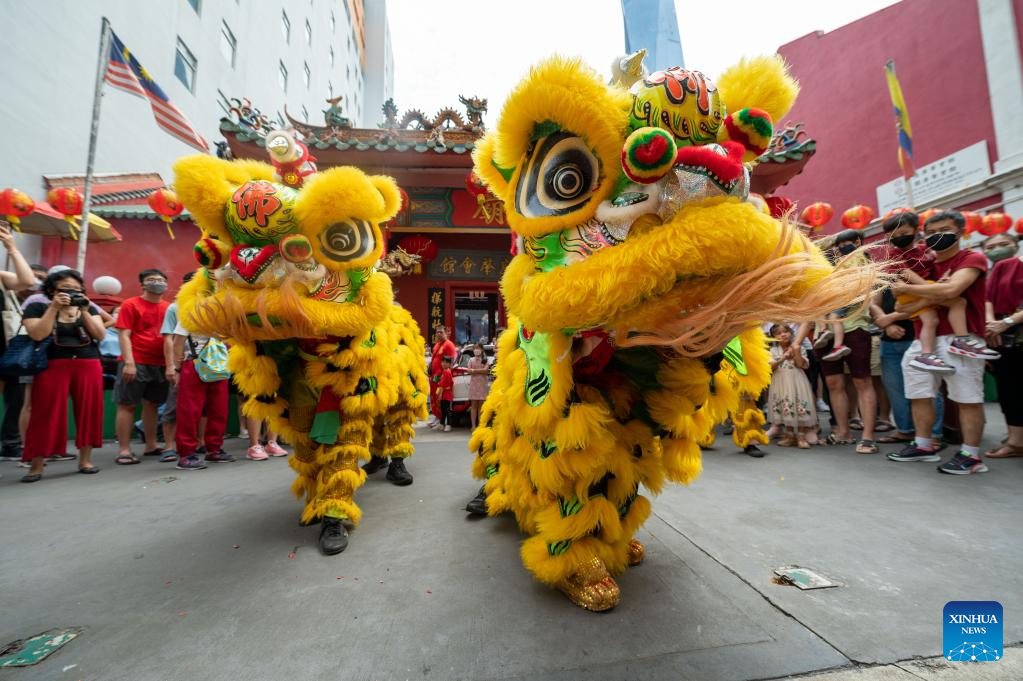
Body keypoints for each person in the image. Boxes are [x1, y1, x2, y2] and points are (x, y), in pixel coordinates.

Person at [887, 211, 990, 474]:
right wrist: (932, 293)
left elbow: (953, 290)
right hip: (923, 340)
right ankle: (923, 445)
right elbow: (901, 307)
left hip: (960, 338)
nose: (937, 236)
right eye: (931, 232)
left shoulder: (971, 258)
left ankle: (971, 455)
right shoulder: (924, 264)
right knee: (919, 393)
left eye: (944, 230)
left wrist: (911, 289)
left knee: (967, 397)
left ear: (961, 232)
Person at [19, 270, 106, 482]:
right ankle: (36, 465)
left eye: (77, 289)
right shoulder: (37, 306)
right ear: (52, 290)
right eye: (66, 289)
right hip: (52, 364)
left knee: (89, 411)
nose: (72, 293)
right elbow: (38, 334)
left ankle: (85, 460)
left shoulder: (88, 307)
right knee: (45, 413)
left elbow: (100, 334)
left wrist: (84, 311)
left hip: (88, 363)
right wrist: (54, 308)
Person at [871, 212, 945, 448]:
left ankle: (933, 435)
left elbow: (935, 296)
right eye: (893, 234)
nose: (899, 237)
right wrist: (886, 322)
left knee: (927, 387)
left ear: (915, 230)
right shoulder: (886, 265)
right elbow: (873, 302)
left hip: (920, 334)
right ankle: (904, 430)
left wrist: (894, 317)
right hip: (889, 339)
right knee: (896, 389)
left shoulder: (927, 259)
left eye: (904, 232)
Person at [816, 230, 879, 454]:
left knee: (862, 382)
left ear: (858, 242)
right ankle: (843, 432)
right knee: (834, 383)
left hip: (855, 325)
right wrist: (832, 242)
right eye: (837, 243)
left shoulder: (862, 259)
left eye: (845, 243)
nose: (839, 247)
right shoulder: (823, 262)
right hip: (824, 331)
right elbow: (812, 248)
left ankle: (868, 437)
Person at [113, 269, 170, 464]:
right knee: (127, 405)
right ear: (142, 285)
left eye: (161, 280)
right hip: (135, 361)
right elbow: (124, 334)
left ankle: (151, 445)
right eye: (151, 279)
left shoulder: (169, 308)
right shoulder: (130, 304)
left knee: (152, 404)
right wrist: (129, 362)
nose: (157, 282)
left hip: (161, 362)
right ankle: (124, 450)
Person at [170, 312, 234, 470]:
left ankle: (214, 449)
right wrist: (176, 369)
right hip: (193, 363)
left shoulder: (223, 315)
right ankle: (186, 453)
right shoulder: (189, 314)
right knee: (189, 411)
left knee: (220, 409)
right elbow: (178, 343)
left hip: (219, 364)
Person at [983, 232, 1023, 459]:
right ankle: (1016, 440)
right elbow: (987, 299)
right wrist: (991, 324)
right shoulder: (993, 272)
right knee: (1009, 390)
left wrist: (1006, 322)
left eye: (1004, 244)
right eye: (991, 246)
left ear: (1016, 245)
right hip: (1000, 338)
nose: (997, 249)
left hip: (1011, 331)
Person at [0, 259, 44, 462]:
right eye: (37, 277)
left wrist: (11, 246)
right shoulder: (8, 290)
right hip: (11, 350)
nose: (37, 282)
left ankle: (11, 444)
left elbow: (27, 281)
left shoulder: (39, 302)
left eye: (42, 279)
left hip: (13, 352)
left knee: (16, 400)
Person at [766, 324, 816, 448]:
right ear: (774, 337)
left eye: (786, 331)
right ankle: (789, 435)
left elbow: (801, 365)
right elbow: (771, 367)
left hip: (797, 381)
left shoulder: (799, 348)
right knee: (786, 405)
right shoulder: (773, 351)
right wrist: (783, 358)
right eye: (778, 333)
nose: (783, 334)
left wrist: (796, 352)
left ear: (791, 333)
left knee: (799, 405)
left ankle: (801, 436)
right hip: (781, 382)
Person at [428, 326, 457, 427]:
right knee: (433, 394)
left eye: (441, 332)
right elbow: (434, 359)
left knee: (439, 396)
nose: (439, 334)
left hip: (441, 376)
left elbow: (451, 361)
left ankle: (440, 418)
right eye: (437, 332)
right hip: (434, 375)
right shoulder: (437, 344)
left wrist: (444, 374)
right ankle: (436, 416)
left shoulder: (449, 345)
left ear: (446, 333)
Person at [467, 341, 489, 429]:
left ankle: (480, 425)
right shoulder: (471, 360)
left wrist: (474, 371)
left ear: (482, 349)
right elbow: (469, 370)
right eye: (475, 348)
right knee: (473, 406)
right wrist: (479, 371)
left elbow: (485, 370)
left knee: (481, 406)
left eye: (478, 348)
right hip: (474, 385)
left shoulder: (485, 360)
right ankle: (473, 425)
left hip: (482, 385)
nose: (476, 350)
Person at [435, 355, 454, 432]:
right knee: (443, 410)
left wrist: (440, 395)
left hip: (446, 394)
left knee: (447, 410)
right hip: (445, 393)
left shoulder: (447, 372)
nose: (444, 364)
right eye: (443, 362)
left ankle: (448, 425)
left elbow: (443, 385)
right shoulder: (446, 371)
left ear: (449, 364)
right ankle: (442, 424)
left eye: (446, 362)